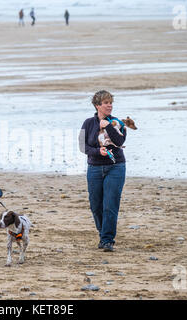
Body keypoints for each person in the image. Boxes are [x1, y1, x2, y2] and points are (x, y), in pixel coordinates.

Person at [78, 90, 127, 252]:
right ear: (97, 105)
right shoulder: (87, 123)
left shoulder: (117, 122)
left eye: (111, 102)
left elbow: (120, 141)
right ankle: (102, 232)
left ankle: (107, 240)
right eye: (106, 103)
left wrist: (109, 127)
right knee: (96, 205)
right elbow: (82, 146)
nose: (110, 105)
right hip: (94, 168)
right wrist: (97, 152)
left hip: (116, 167)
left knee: (110, 205)